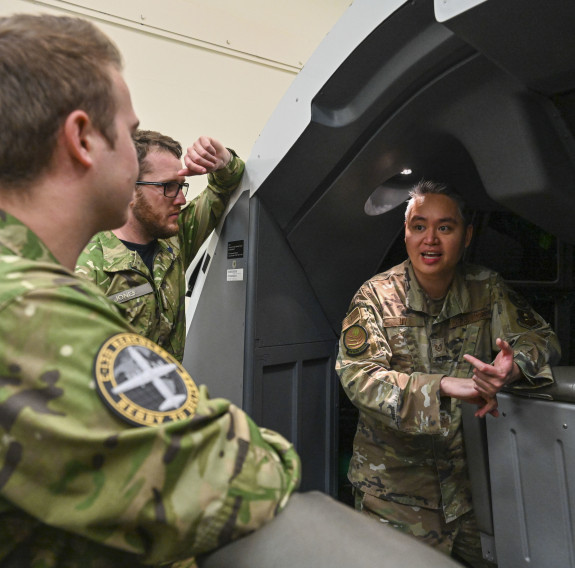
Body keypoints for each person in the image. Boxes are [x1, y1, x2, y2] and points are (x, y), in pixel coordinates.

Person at [0, 13, 299, 568]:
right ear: (83, 139)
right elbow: (237, 476)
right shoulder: (29, 308)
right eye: (126, 129)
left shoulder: (154, 243)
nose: (177, 193)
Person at [336, 180, 560, 567]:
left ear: (466, 235)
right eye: (419, 226)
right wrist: (441, 386)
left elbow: (541, 338)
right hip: (396, 498)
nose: (431, 241)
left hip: (473, 491)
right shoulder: (375, 295)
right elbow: (360, 377)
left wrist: (512, 366)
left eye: (445, 227)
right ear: (405, 234)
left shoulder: (485, 289)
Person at [75, 129, 244, 362]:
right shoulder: (86, 267)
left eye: (181, 186)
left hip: (172, 394)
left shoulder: (174, 240)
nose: (181, 199)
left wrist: (222, 159)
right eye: (168, 187)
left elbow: (224, 187)